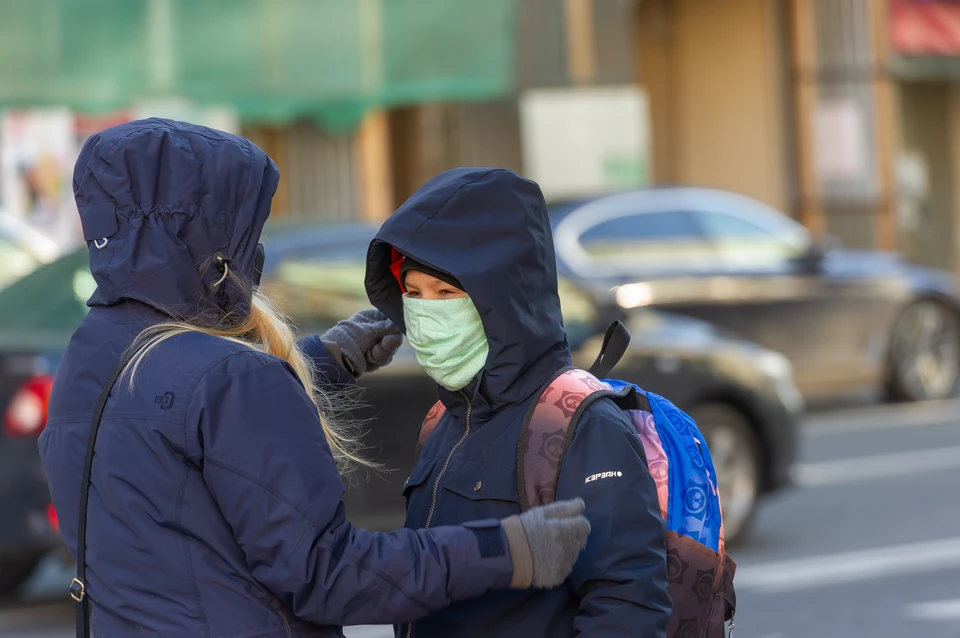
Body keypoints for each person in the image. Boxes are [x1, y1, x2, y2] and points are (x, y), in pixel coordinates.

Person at [38, 119, 591, 638]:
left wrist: (325, 358)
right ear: (204, 240)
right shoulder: (231, 379)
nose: (254, 247)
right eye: (244, 226)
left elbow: (178, 422)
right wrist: (508, 548)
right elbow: (329, 576)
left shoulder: (90, 359)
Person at [365, 167, 673, 638]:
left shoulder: (579, 424)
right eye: (412, 291)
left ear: (503, 298)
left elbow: (627, 604)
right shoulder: (444, 420)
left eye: (446, 292)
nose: (426, 311)